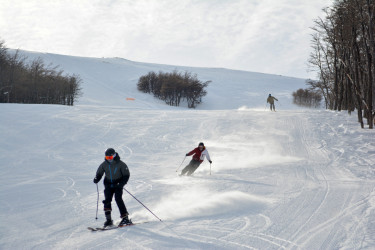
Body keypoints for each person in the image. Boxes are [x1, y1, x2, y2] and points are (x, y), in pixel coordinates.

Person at [93, 148, 132, 227]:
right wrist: (97, 178)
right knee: (107, 200)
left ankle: (125, 218)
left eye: (110, 157)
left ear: (114, 155)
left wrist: (121, 184)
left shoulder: (121, 164)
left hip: (117, 185)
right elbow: (99, 172)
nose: (109, 159)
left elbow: (126, 175)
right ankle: (108, 220)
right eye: (107, 158)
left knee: (118, 198)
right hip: (108, 184)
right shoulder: (104, 164)